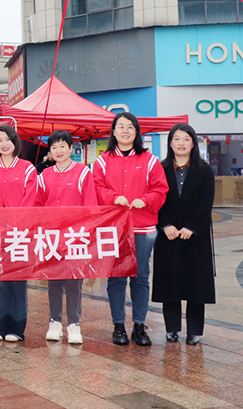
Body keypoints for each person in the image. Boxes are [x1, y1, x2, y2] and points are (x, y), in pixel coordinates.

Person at [93, 112, 168, 346]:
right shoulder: (103, 161)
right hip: (114, 228)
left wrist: (145, 200)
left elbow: (161, 189)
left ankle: (139, 326)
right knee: (116, 277)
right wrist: (113, 197)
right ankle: (118, 325)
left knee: (141, 277)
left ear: (136, 132)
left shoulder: (150, 160)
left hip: (143, 228)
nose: (125, 131)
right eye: (121, 126)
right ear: (113, 132)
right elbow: (97, 188)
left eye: (130, 127)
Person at [152, 123, 215, 346]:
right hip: (168, 235)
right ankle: (171, 328)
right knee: (170, 283)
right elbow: (155, 200)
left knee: (196, 284)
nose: (181, 143)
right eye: (177, 139)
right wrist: (165, 224)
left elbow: (206, 203)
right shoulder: (160, 168)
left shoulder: (204, 170)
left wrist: (192, 227)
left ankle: (195, 331)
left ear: (193, 143)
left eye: (186, 139)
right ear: (170, 143)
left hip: (195, 236)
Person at [36, 130, 97, 345]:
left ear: (71, 148)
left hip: (75, 235)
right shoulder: (44, 175)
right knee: (53, 280)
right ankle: (54, 322)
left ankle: (73, 324)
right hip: (52, 235)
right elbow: (38, 206)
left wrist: (87, 234)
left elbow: (90, 205)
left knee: (74, 281)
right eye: (54, 147)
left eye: (63, 146)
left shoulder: (83, 172)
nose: (58, 151)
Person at [0, 124, 36, 342]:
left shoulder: (28, 169)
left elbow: (29, 201)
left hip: (19, 234)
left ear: (15, 142)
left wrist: (15, 225)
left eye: (7, 139)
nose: (3, 144)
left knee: (18, 280)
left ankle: (17, 328)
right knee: (0, 280)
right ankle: (1, 325)